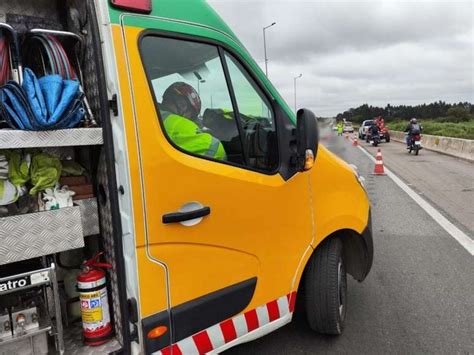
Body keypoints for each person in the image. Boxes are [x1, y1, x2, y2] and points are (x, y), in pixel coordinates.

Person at [160, 82, 226, 160]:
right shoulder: (173, 121)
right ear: (182, 105)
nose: (189, 119)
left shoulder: (155, 115)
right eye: (191, 114)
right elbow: (216, 149)